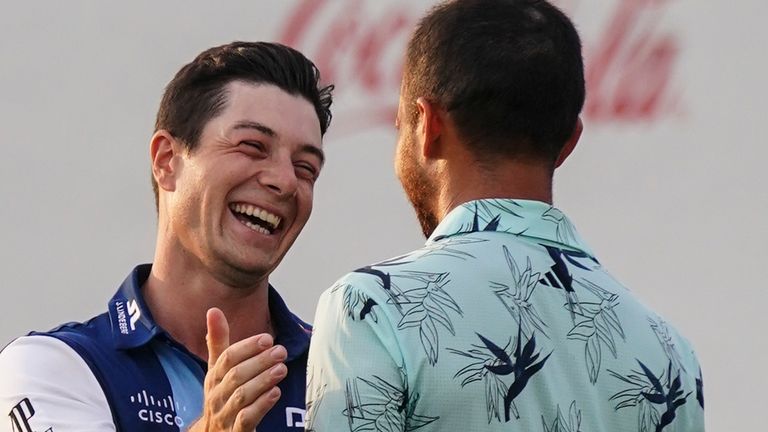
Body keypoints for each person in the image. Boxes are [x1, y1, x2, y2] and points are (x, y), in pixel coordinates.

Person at [305, 1, 705, 431]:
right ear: (569, 141)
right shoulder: (670, 354)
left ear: (428, 126)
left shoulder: (370, 309)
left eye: (400, 124)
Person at [0, 41, 333, 431]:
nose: (284, 181)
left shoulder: (343, 373)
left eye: (305, 167)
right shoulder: (53, 367)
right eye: (252, 146)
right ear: (166, 160)